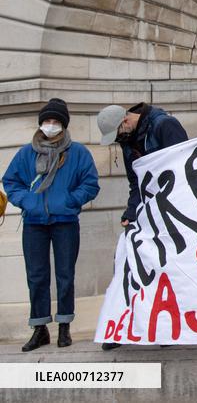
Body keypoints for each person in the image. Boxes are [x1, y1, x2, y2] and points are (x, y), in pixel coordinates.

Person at [2, 98, 99, 351]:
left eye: (56, 121)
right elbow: (11, 182)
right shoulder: (26, 153)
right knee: (36, 276)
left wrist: (70, 200)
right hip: (34, 222)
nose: (51, 125)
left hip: (65, 221)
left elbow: (90, 184)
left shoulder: (78, 153)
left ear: (64, 125)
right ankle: (40, 328)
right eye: (47, 121)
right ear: (41, 123)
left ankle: (65, 326)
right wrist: (28, 202)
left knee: (65, 275)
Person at [96, 101, 188, 350]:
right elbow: (135, 183)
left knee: (170, 268)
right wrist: (131, 211)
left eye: (117, 134)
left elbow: (183, 169)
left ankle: (166, 328)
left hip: (174, 209)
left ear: (125, 122)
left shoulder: (164, 125)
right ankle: (118, 326)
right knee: (124, 260)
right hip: (149, 210)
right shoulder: (128, 141)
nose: (117, 140)